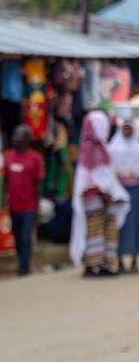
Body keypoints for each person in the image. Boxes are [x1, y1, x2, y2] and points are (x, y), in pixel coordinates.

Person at [70, 110, 131, 277]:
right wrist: (101, 191)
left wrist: (113, 192)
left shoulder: (103, 148)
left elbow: (107, 175)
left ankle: (105, 263)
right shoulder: (89, 149)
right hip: (93, 198)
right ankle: (92, 265)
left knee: (107, 230)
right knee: (93, 231)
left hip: (106, 197)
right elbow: (87, 178)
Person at [3, 125, 45, 276]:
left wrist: (37, 208)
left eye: (18, 135)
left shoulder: (35, 158)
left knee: (26, 237)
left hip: (29, 205)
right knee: (17, 236)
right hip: (13, 205)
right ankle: (22, 261)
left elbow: (38, 185)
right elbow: (6, 180)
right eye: (14, 134)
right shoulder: (8, 156)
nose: (14, 138)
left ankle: (24, 268)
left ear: (27, 139)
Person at [109, 119, 139, 273]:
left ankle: (134, 260)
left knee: (136, 226)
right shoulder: (114, 148)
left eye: (129, 129)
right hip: (119, 191)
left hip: (136, 191)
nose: (127, 131)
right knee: (120, 225)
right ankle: (119, 260)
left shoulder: (137, 148)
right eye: (125, 129)